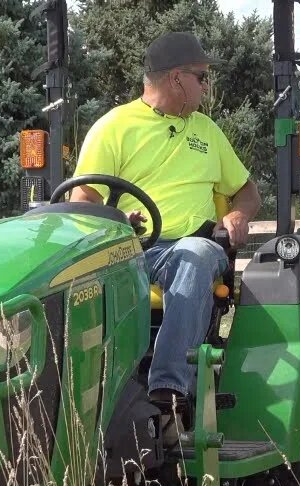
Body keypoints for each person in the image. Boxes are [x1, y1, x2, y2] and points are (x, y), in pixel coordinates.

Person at [70, 31, 261, 440]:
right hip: (127, 248)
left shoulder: (206, 131)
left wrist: (239, 215)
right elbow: (82, 199)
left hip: (188, 246)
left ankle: (168, 396)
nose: (206, 86)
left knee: (193, 253)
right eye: (201, 77)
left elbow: (247, 191)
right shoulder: (114, 128)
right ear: (176, 78)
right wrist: (118, 220)